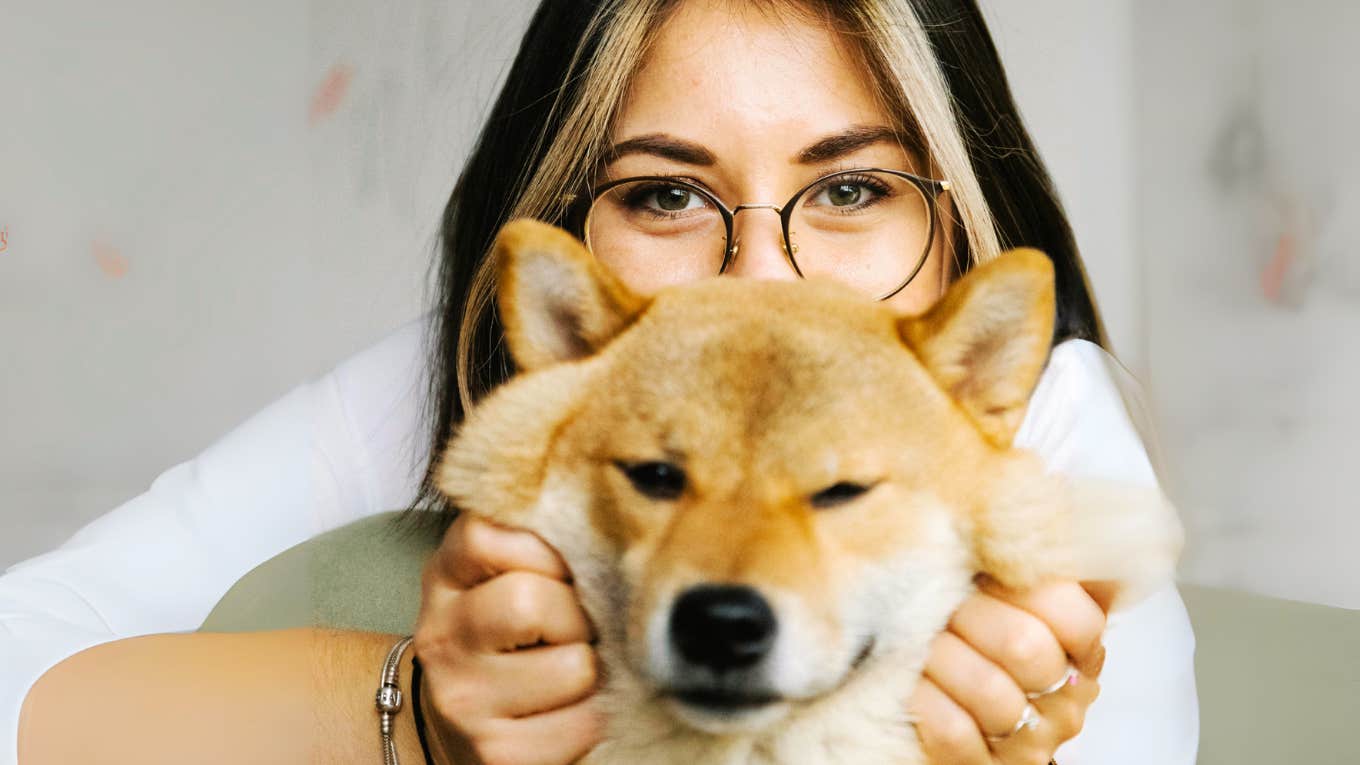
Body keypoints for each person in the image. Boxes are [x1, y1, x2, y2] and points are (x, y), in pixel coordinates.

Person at [4, 0, 1198, 763]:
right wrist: (403, 717)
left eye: (849, 189)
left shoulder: (1046, 429)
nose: (765, 276)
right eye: (665, 193)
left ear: (956, 228)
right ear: (567, 234)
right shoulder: (492, 381)